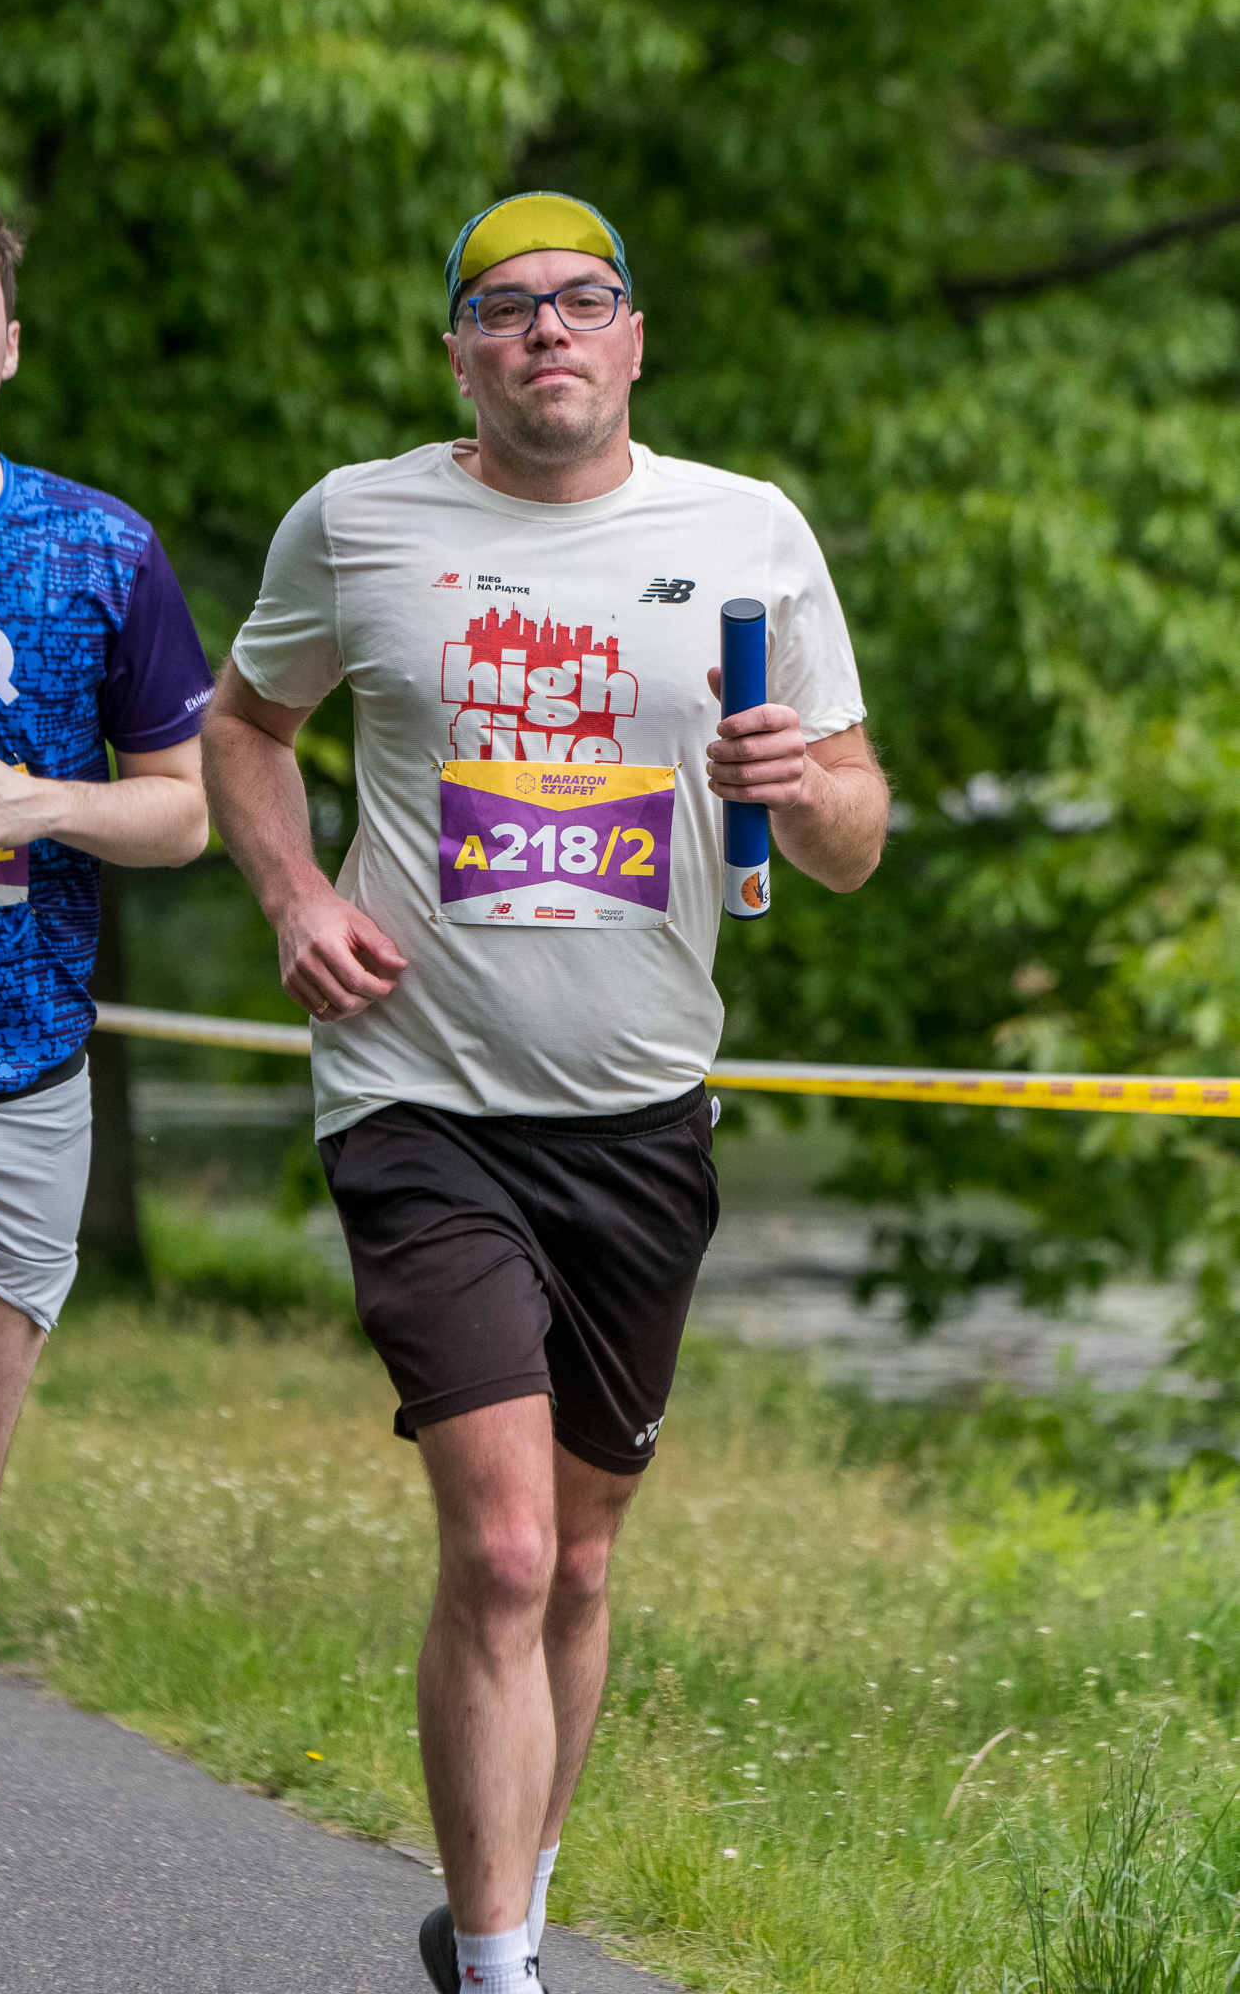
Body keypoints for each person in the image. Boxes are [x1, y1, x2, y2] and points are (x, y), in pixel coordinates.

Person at [202, 189, 889, 1993]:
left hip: (642, 1110)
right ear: (460, 353)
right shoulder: (357, 521)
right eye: (505, 310)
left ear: (635, 338)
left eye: (583, 302)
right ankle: (507, 1967)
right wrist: (293, 897)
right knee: (502, 1549)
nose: (546, 334)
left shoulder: (746, 531)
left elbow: (851, 839)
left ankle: (499, 1893)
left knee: (580, 1561)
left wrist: (801, 786)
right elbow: (242, 726)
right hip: (417, 1094)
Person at [0, 167, 213, 1994]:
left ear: (11, 343)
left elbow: (185, 810)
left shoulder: (100, 552)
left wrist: (43, 804)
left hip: (20, 1074)